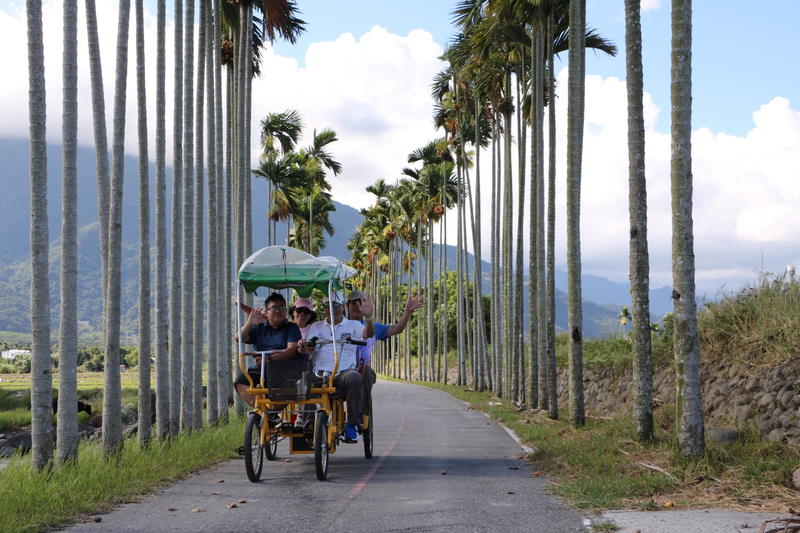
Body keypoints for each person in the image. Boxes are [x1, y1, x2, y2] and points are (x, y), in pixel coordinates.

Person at [299, 290, 374, 443]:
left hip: (343, 373)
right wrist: (303, 347)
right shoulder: (316, 327)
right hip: (319, 373)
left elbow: (368, 333)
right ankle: (308, 422)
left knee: (354, 378)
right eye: (327, 305)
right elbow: (305, 346)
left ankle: (352, 424)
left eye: (335, 305)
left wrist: (368, 317)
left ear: (342, 306)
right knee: (304, 378)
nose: (331, 309)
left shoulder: (353, 325)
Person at [346, 290, 424, 418]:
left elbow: (397, 329)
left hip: (360, 368)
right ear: (346, 305)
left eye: (361, 303)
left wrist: (407, 311)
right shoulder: (340, 325)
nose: (358, 307)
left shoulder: (371, 326)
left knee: (366, 371)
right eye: (354, 303)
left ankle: (362, 415)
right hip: (342, 367)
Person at [233, 292, 301, 408]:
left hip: (284, 371)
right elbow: (239, 338)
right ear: (266, 312)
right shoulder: (258, 327)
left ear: (285, 311)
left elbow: (291, 350)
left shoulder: (291, 328)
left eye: (281, 308)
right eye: (273, 308)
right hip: (261, 372)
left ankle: (271, 414)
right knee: (240, 381)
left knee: (294, 382)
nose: (278, 311)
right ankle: (262, 411)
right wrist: (249, 323)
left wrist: (269, 359)